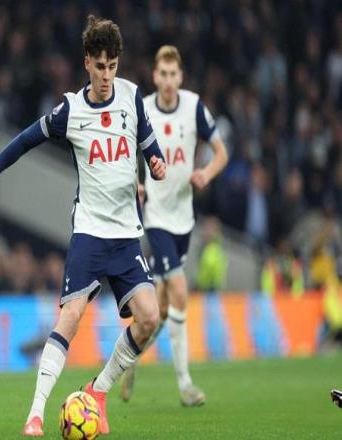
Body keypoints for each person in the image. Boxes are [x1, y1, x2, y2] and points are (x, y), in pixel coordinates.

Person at [0, 15, 166, 437]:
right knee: (71, 316)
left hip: (126, 236)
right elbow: (25, 140)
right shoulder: (71, 111)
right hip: (90, 233)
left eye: (113, 66)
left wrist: (156, 162)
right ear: (87, 63)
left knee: (150, 318)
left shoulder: (131, 97)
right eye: (100, 66)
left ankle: (98, 391)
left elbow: (150, 145)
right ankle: (35, 412)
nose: (107, 75)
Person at [120, 45, 228, 406]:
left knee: (163, 309)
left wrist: (206, 173)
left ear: (180, 77)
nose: (167, 81)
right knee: (180, 289)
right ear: (155, 76)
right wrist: (135, 181)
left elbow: (221, 152)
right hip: (156, 217)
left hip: (184, 217)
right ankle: (185, 385)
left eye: (173, 74)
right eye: (162, 74)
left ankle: (131, 355)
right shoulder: (144, 108)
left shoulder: (194, 106)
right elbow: (126, 150)